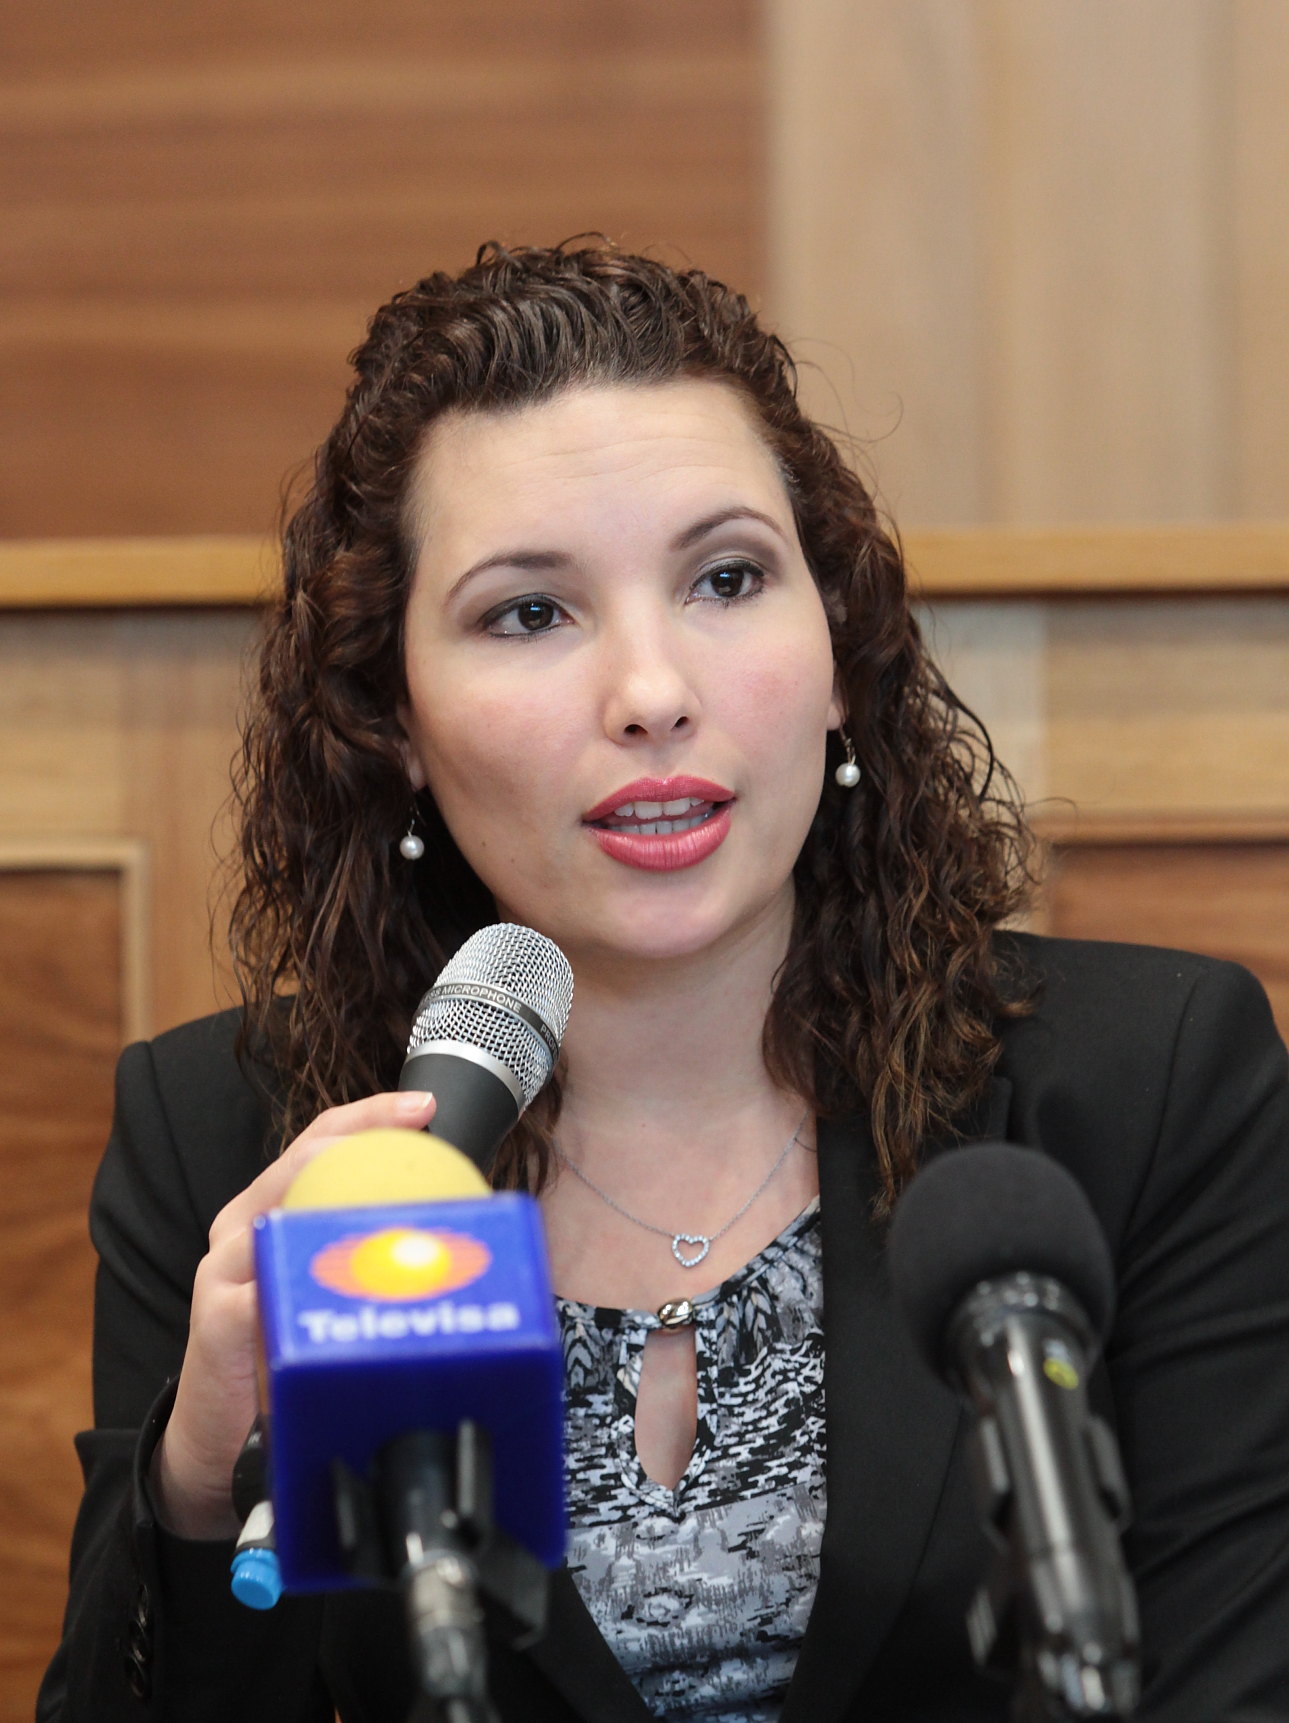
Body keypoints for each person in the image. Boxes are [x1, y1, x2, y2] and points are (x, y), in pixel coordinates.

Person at [39, 242, 1289, 1723]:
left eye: (726, 579)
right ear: (394, 719)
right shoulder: (230, 1137)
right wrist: (197, 1482)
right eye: (530, 613)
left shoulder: (1152, 1081)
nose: (650, 693)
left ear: (839, 650)